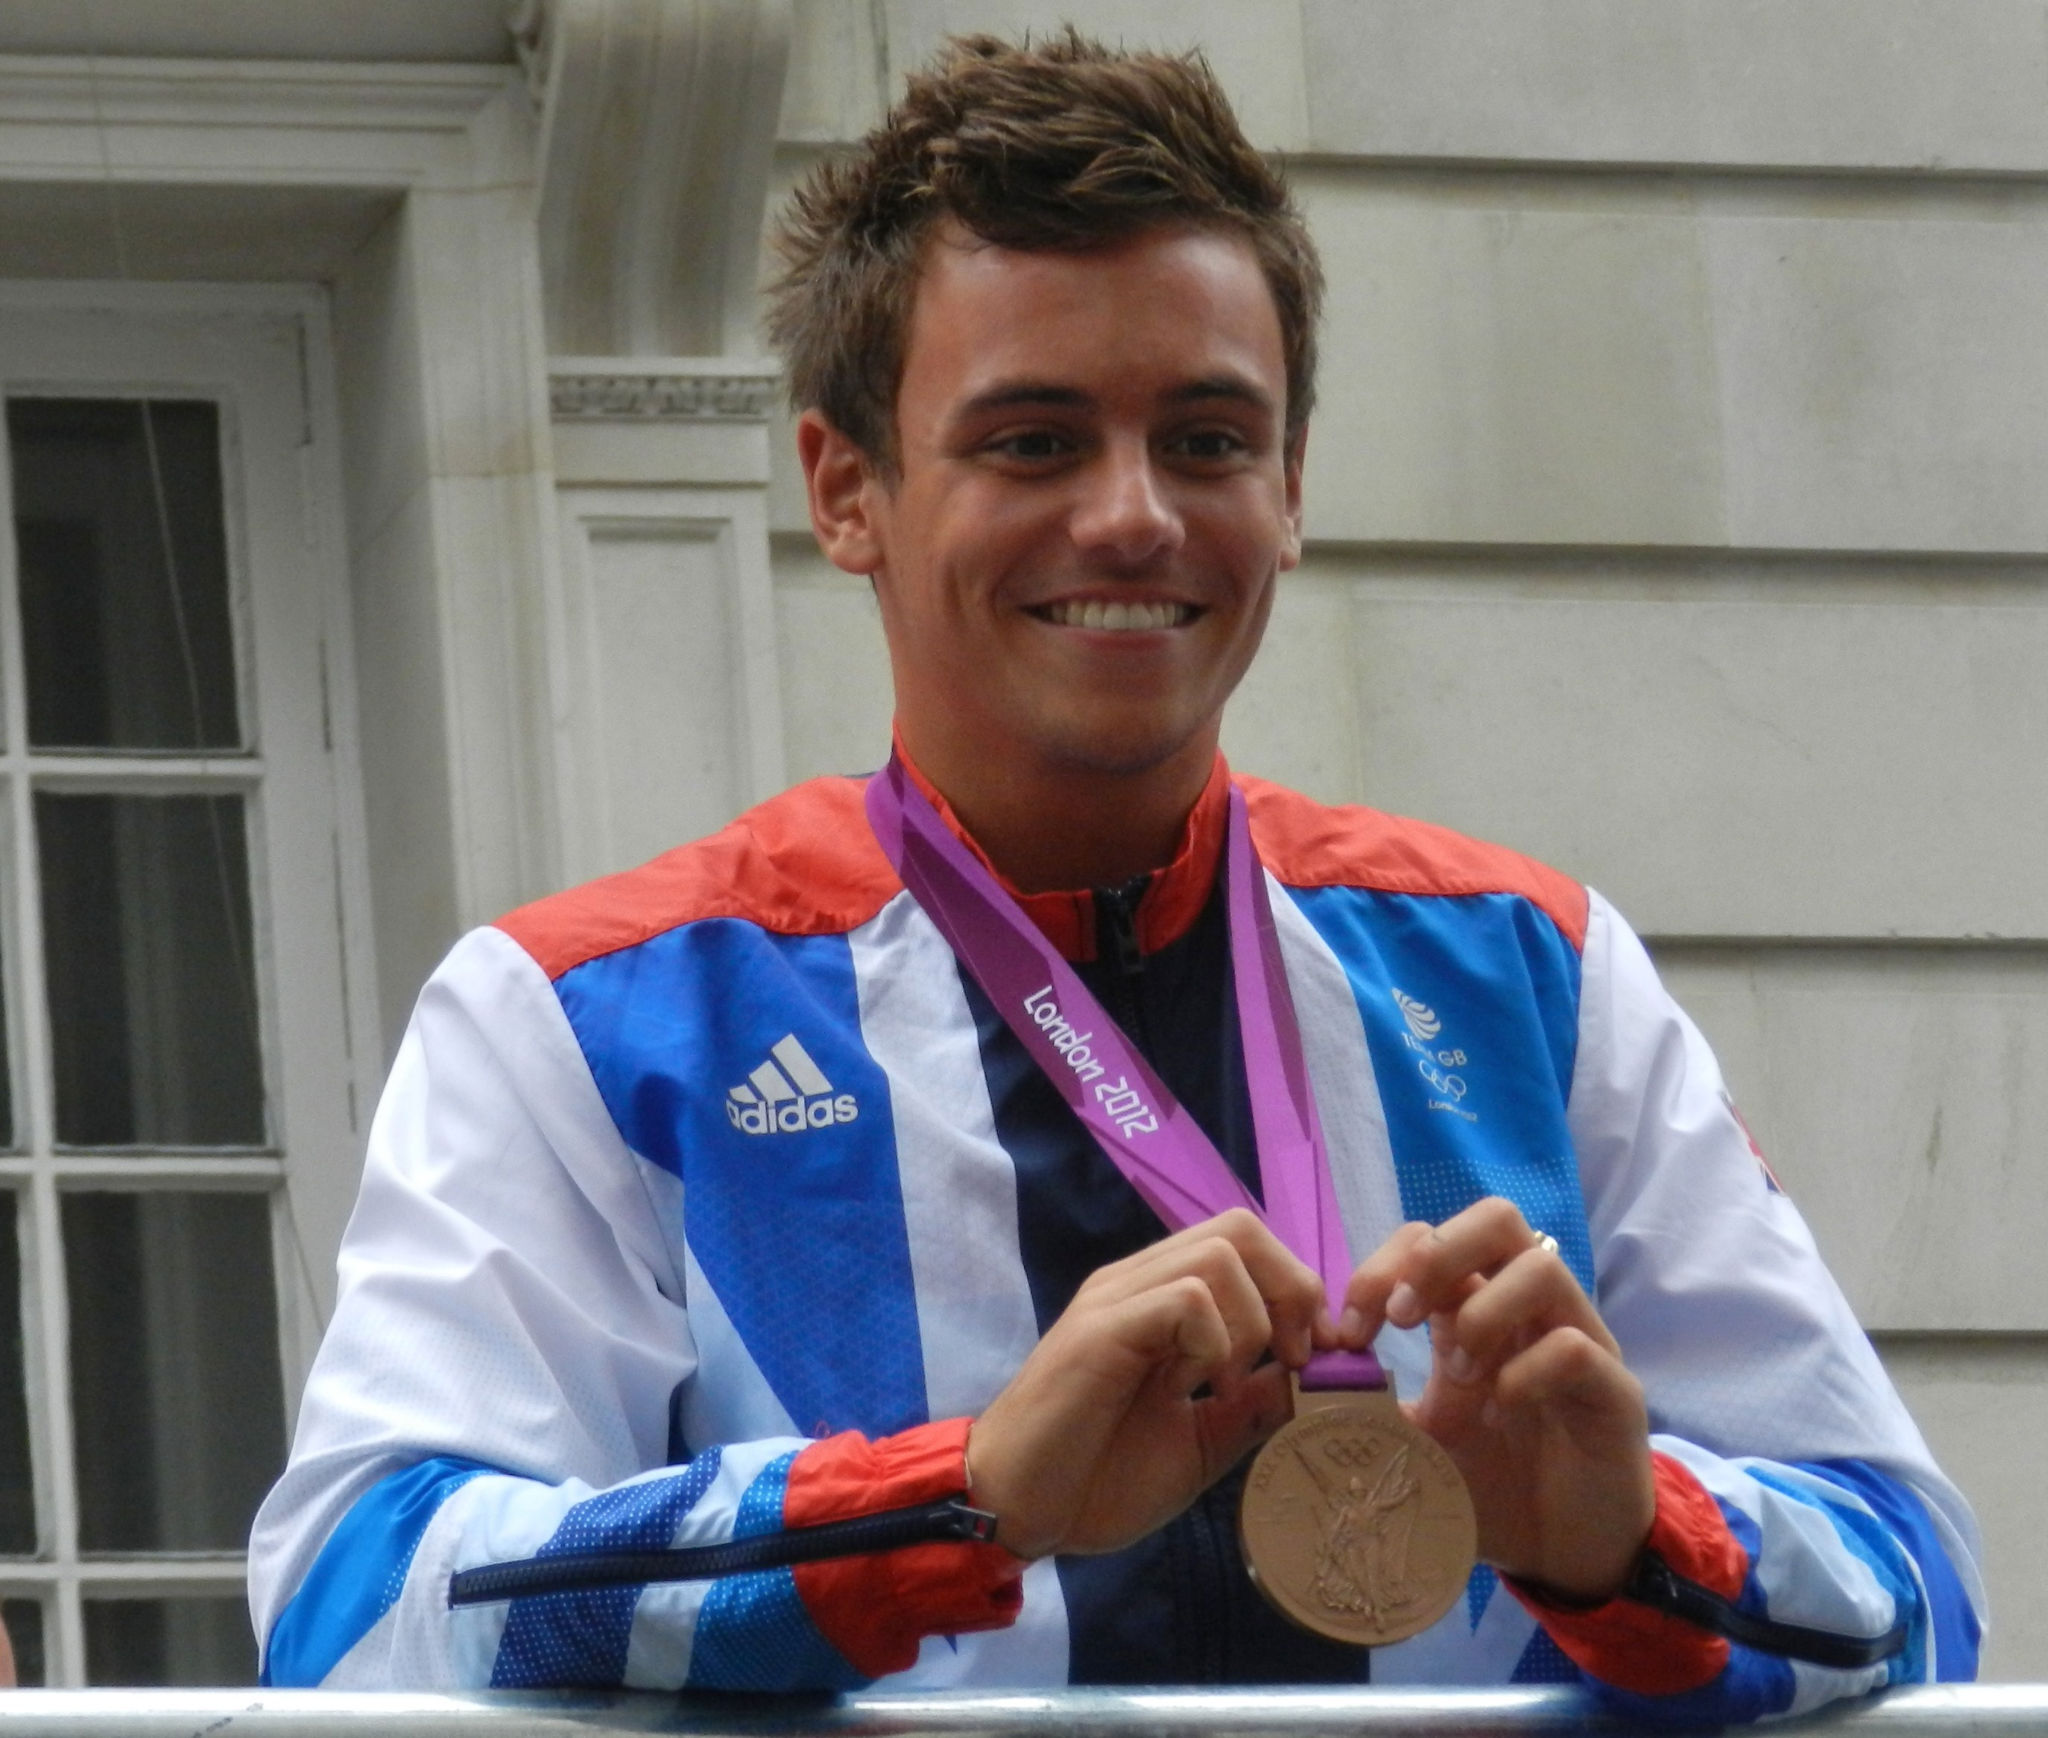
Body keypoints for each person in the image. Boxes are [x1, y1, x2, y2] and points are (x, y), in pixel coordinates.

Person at [247, 30, 1982, 1715]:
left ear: (1291, 486)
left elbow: (1919, 1584)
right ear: (845, 487)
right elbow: (353, 1607)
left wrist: (1632, 1540)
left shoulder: (1529, 969)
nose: (1137, 514)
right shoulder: (586, 1015)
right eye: (1034, 439)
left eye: (1210, 438)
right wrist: (949, 1506)